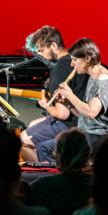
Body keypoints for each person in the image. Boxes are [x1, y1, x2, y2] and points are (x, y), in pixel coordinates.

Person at [19, 25, 87, 163]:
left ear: (54, 45)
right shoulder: (77, 62)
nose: (40, 55)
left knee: (21, 141)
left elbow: (63, 114)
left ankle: (49, 172)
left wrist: (46, 105)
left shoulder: (59, 70)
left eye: (42, 50)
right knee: (33, 124)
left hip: (71, 124)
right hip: (84, 119)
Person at [48, 38, 108, 154]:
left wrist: (70, 95)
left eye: (74, 60)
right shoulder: (92, 76)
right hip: (88, 132)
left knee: (48, 149)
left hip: (101, 136)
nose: (72, 64)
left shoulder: (104, 79)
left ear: (87, 58)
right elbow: (84, 114)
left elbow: (91, 113)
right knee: (49, 146)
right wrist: (67, 104)